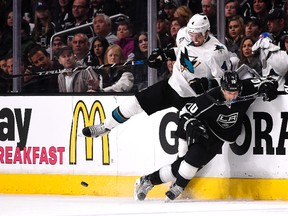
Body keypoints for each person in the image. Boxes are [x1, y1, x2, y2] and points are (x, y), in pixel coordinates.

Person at [80, 13, 231, 138]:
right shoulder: (187, 36)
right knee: (134, 103)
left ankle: (181, 166)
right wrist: (163, 55)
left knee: (185, 137)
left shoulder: (217, 52)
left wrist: (208, 85)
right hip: (173, 86)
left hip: (194, 98)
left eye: (198, 36)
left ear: (207, 32)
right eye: (192, 34)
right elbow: (180, 50)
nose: (194, 39)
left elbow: (225, 84)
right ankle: (105, 127)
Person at [134, 71, 279, 201]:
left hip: (221, 137)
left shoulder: (246, 88)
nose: (233, 96)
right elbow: (185, 113)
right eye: (229, 92)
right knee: (192, 160)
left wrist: (269, 86)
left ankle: (148, 180)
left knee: (183, 165)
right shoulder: (209, 99)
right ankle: (178, 186)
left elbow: (271, 79)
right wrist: (190, 124)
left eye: (236, 92)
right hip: (204, 131)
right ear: (222, 89)